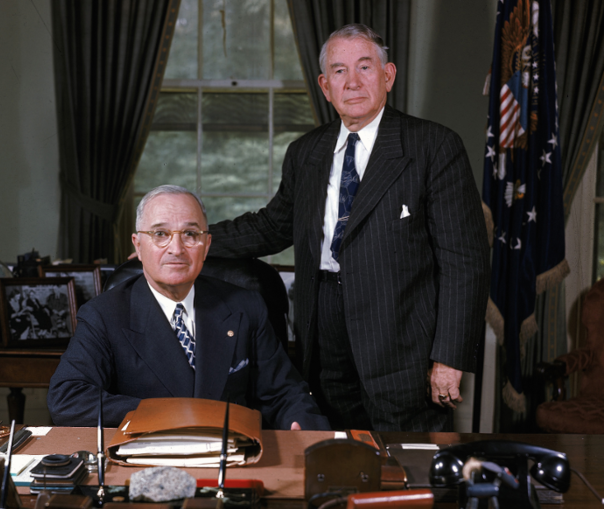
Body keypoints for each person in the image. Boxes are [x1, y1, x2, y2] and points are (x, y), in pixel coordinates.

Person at [206, 24, 490, 431]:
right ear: (324, 85)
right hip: (323, 333)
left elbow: (465, 262)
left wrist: (449, 358)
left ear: (387, 76)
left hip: (401, 339)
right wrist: (193, 241)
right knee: (334, 457)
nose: (352, 82)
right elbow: (271, 226)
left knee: (406, 467)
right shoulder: (305, 153)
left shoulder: (433, 147)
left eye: (364, 67)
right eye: (339, 71)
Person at [48, 185, 330, 430]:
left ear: (206, 245)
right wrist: (167, 414)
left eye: (190, 235)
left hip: (230, 458)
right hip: (149, 457)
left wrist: (303, 429)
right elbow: (68, 399)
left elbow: (285, 394)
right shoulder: (103, 314)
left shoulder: (245, 306)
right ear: (138, 244)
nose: (176, 249)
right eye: (160, 234)